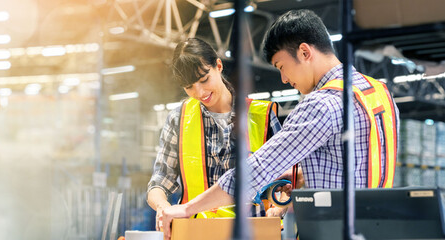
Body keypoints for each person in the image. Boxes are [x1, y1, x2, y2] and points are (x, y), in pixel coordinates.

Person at [157, 9, 400, 239]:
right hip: (376, 230)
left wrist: (187, 209)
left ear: (304, 52)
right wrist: (306, 173)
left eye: (282, 66)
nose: (284, 79)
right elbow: (361, 164)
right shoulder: (378, 92)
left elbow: (256, 171)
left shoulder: (320, 105)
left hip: (333, 232)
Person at [146, 38, 283, 230]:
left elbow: (287, 180)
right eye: (189, 87)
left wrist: (279, 208)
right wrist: (163, 207)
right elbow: (160, 180)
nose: (199, 92)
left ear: (218, 65)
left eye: (204, 80)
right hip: (195, 231)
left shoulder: (263, 116)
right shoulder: (178, 119)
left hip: (252, 230)